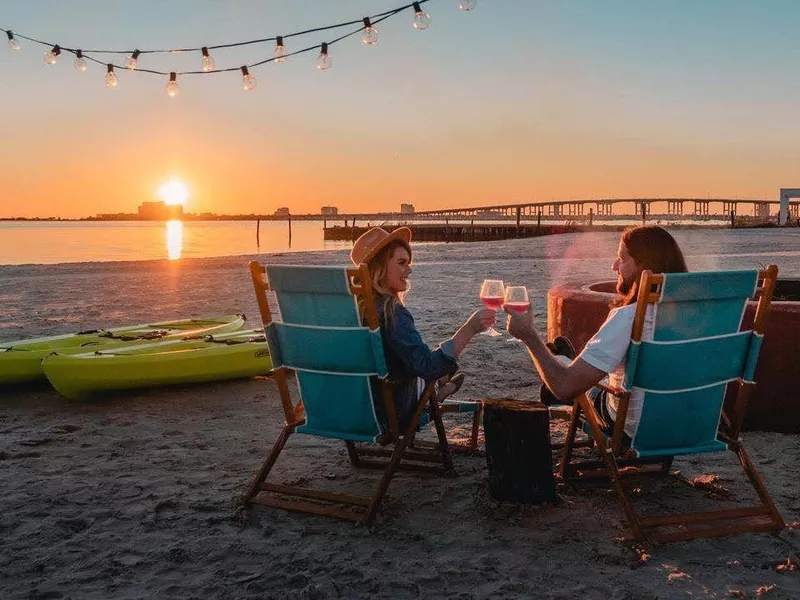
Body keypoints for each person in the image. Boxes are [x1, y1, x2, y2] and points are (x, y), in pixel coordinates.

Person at [504, 226, 688, 442]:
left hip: (635, 427)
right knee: (586, 369)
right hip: (689, 421)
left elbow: (566, 388)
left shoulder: (630, 318)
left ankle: (560, 370)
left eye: (622, 258)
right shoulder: (698, 316)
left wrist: (529, 336)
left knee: (575, 388)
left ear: (642, 266)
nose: (614, 266)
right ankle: (567, 359)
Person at [351, 226, 496, 431]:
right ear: (380, 268)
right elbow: (426, 367)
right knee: (432, 368)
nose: (409, 270)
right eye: (401, 263)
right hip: (390, 415)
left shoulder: (348, 310)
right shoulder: (391, 313)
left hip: (351, 409)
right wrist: (470, 328)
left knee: (418, 363)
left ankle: (442, 383)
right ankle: (440, 390)